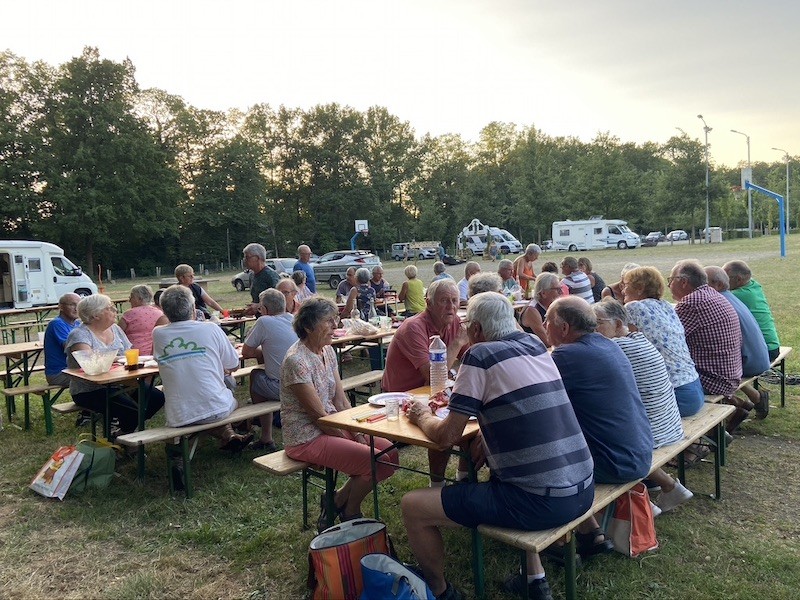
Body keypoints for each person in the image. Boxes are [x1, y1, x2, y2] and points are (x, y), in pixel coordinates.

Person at [402, 292, 594, 600]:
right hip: (583, 489)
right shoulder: (535, 345)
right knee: (507, 474)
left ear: (475, 330)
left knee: (413, 506)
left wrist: (422, 415)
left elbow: (445, 437)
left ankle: (439, 590)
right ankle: (534, 580)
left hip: (540, 502)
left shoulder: (478, 356)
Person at [546, 296, 652, 558]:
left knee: (539, 458)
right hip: (640, 452)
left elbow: (532, 396)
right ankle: (590, 531)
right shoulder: (608, 345)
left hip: (615, 463)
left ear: (564, 329)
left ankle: (555, 543)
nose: (544, 327)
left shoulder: (567, 355)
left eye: (547, 322)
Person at [281, 298, 398, 530]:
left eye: (335, 319)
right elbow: (318, 416)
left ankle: (335, 500)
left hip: (332, 423)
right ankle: (350, 511)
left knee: (390, 455)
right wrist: (354, 438)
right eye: (329, 321)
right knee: (373, 460)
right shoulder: (297, 361)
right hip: (305, 437)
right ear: (308, 326)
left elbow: (341, 400)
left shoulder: (327, 350)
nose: (336, 325)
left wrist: (359, 432)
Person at [591, 299, 692, 513]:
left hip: (653, 433)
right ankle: (665, 487)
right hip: (669, 425)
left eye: (597, 323)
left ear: (618, 324)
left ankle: (644, 501)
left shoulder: (613, 348)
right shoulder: (639, 339)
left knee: (596, 434)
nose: (592, 329)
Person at [383, 279, 470, 485]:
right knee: (444, 426)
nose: (451, 307)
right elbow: (432, 377)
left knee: (471, 419)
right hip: (404, 396)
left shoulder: (455, 322)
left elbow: (471, 357)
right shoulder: (414, 327)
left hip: (433, 392)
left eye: (455, 300)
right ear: (428, 303)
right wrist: (458, 342)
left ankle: (464, 481)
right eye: (444, 301)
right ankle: (437, 486)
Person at [153, 286, 252, 459]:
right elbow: (234, 363)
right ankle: (232, 432)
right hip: (216, 408)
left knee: (203, 408)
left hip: (178, 414)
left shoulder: (158, 334)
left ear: (164, 311)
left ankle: (228, 436)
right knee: (227, 400)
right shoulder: (210, 328)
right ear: (193, 308)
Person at [65, 294, 165, 435]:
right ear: (95, 315)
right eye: (109, 308)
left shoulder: (116, 329)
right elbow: (90, 362)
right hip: (90, 390)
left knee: (156, 398)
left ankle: (122, 432)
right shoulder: (80, 334)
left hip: (122, 383)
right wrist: (118, 359)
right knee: (130, 409)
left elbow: (129, 354)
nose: (115, 311)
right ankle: (120, 437)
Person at [670, 260, 744, 433]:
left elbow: (668, 341)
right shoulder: (712, 294)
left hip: (715, 379)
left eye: (670, 280)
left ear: (683, 282)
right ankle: (717, 432)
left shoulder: (690, 303)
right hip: (732, 372)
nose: (668, 286)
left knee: (658, 384)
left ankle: (698, 442)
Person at [622, 266, 705, 417]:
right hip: (695, 388)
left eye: (626, 286)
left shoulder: (633, 308)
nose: (623, 291)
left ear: (640, 288)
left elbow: (628, 351)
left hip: (675, 395)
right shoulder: (666, 306)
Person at [706, 265, 770, 417]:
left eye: (703, 283)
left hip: (750, 362)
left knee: (704, 369)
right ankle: (748, 400)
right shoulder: (731, 296)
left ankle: (732, 412)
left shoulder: (716, 302)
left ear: (719, 285)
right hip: (760, 355)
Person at [242, 288, 298, 452]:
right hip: (302, 382)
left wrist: (261, 351)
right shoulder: (293, 319)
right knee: (263, 373)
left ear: (264, 310)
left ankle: (265, 435)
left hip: (283, 386)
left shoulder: (264, 322)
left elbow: (246, 352)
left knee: (255, 375)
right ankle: (264, 424)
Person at [725, 259, 781, 418]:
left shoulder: (739, 295)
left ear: (738, 280)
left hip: (763, 351)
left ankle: (739, 406)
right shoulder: (753, 286)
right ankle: (751, 397)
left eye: (725, 277)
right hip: (769, 345)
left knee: (721, 367)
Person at [44, 293, 81, 388]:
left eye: (79, 305)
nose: (76, 308)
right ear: (60, 307)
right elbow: (71, 350)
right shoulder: (57, 324)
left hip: (74, 370)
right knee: (95, 380)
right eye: (72, 305)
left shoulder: (77, 324)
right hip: (59, 373)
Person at [119, 284, 168, 355]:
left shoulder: (129, 314)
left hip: (134, 354)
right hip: (155, 352)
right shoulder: (159, 313)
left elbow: (117, 332)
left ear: (139, 299)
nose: (129, 300)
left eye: (132, 297)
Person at [520, 272, 562, 346]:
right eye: (557, 289)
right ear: (543, 293)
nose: (561, 292)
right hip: (533, 352)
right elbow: (548, 341)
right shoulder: (532, 311)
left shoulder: (552, 306)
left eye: (560, 289)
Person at [243, 243, 280, 316]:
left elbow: (278, 301)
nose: (245, 260)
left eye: (247, 257)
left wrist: (258, 306)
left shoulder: (270, 276)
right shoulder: (252, 275)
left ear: (257, 258)